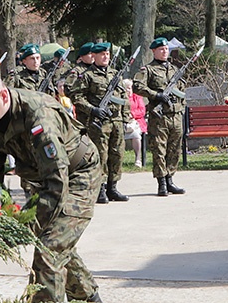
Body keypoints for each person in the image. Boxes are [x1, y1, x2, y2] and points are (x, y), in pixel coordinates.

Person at [0, 66, 113, 303]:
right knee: (57, 242)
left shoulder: (38, 114)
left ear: (4, 96)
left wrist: (28, 225)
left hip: (77, 173)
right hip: (42, 178)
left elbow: (57, 180)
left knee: (49, 248)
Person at [69, 42, 131, 203]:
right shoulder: (87, 75)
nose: (105, 57)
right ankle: (100, 188)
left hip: (116, 120)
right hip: (99, 122)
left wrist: (125, 118)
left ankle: (113, 187)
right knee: (101, 155)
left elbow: (124, 98)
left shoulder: (115, 74)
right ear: (94, 56)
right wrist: (93, 110)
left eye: (107, 54)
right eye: (102, 54)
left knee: (117, 153)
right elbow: (77, 97)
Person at [134, 37, 186, 197]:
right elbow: (137, 86)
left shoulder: (173, 69)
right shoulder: (148, 70)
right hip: (159, 116)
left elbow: (182, 88)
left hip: (175, 115)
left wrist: (180, 106)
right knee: (159, 150)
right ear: (154, 51)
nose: (165, 51)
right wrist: (157, 95)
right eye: (161, 49)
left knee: (174, 149)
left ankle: (170, 178)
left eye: (166, 49)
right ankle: (161, 182)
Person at [122, 78, 146, 167]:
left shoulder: (137, 97)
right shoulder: (120, 98)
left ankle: (138, 159)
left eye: (129, 88)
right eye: (125, 88)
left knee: (136, 135)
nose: (127, 90)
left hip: (136, 122)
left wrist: (132, 114)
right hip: (123, 122)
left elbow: (142, 111)